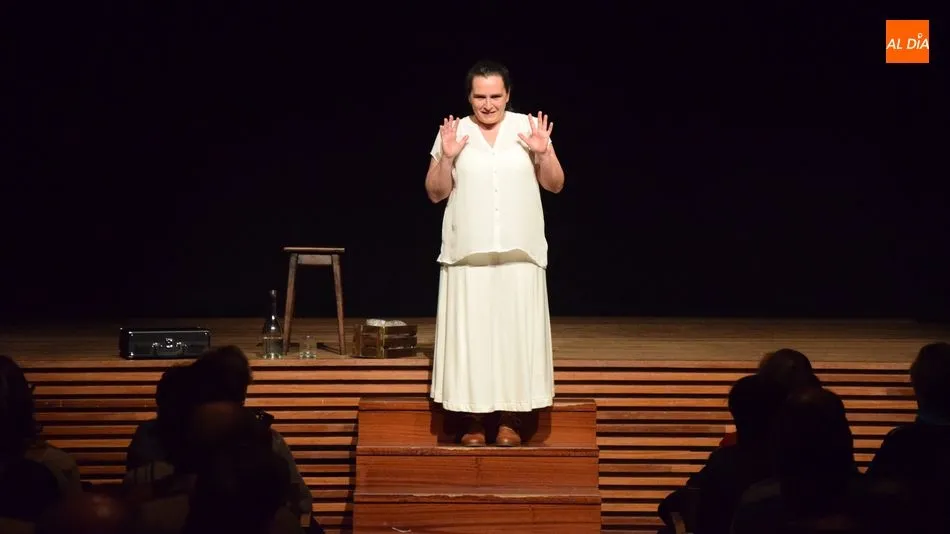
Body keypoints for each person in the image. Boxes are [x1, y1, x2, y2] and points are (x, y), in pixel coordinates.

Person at [424, 59, 565, 447]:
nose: (488, 105)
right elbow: (435, 192)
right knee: (473, 338)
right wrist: (448, 157)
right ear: (469, 96)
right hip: (468, 251)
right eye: (480, 96)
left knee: (515, 337)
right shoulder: (454, 132)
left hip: (520, 250)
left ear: (508, 95)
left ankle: (511, 418)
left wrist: (544, 153)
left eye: (495, 96)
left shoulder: (527, 128)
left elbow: (555, 185)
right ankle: (471, 418)